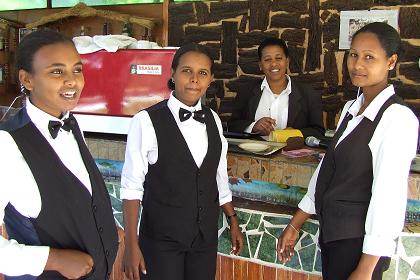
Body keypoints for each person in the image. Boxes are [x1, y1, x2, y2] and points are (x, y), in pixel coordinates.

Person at [277, 22, 418, 280]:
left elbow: (388, 198)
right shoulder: (351, 109)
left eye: (369, 57)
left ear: (391, 61)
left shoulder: (397, 118)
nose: (357, 65)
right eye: (353, 55)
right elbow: (327, 169)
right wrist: (295, 223)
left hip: (360, 249)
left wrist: (366, 268)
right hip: (336, 239)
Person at [0, 29, 119, 279]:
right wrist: (53, 260)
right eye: (57, 71)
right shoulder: (7, 143)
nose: (72, 80)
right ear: (27, 80)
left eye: (77, 70)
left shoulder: (72, 124)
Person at [121, 43, 243, 280]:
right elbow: (131, 187)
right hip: (161, 242)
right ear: (173, 73)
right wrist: (131, 244)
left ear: (210, 80)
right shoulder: (146, 122)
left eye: (202, 73)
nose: (194, 79)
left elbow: (218, 176)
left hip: (203, 240)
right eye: (187, 71)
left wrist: (232, 219)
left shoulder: (213, 120)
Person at [227, 37, 325, 138]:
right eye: (267, 59)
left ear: (287, 61)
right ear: (260, 65)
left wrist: (291, 134)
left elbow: (318, 131)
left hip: (290, 153)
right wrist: (253, 126)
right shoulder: (246, 92)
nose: (273, 64)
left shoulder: (309, 94)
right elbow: (232, 125)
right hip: (253, 153)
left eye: (278, 58)